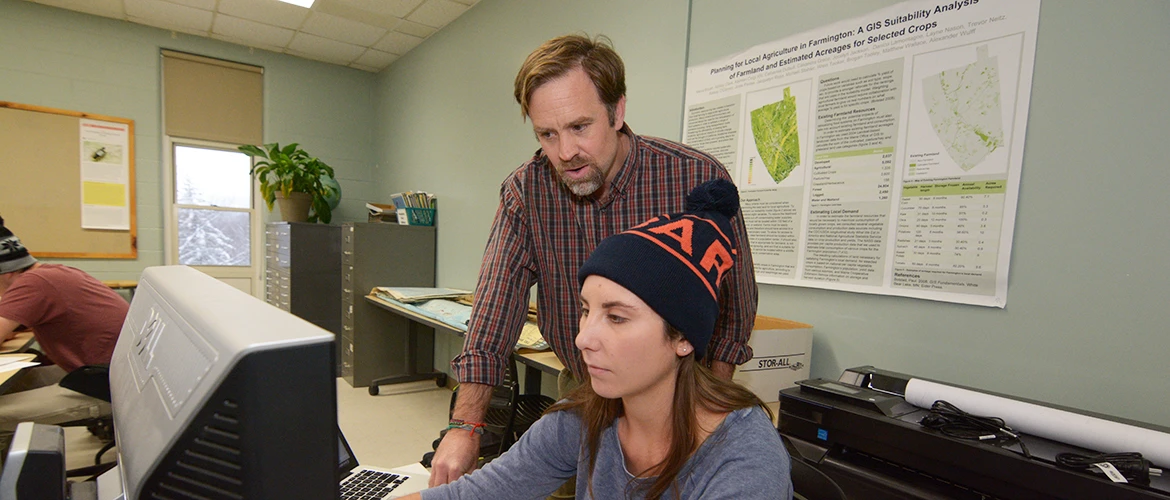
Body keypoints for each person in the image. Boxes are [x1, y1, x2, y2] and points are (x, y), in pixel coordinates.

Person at [431, 34, 759, 487]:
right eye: (547, 134)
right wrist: (466, 425)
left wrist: (704, 410)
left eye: (580, 127)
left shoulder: (694, 178)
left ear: (617, 111)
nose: (565, 152)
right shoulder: (527, 191)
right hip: (588, 390)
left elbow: (735, 309)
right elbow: (495, 306)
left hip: (680, 398)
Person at [407, 180, 790, 500]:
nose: (582, 338)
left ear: (683, 338)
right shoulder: (584, 413)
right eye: (586, 310)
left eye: (617, 317)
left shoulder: (744, 458)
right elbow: (476, 494)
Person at [0, 215, 128, 453]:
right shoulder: (52, 273)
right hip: (106, 372)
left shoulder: (31, 284)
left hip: (104, 384)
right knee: (18, 383)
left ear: (6, 273)